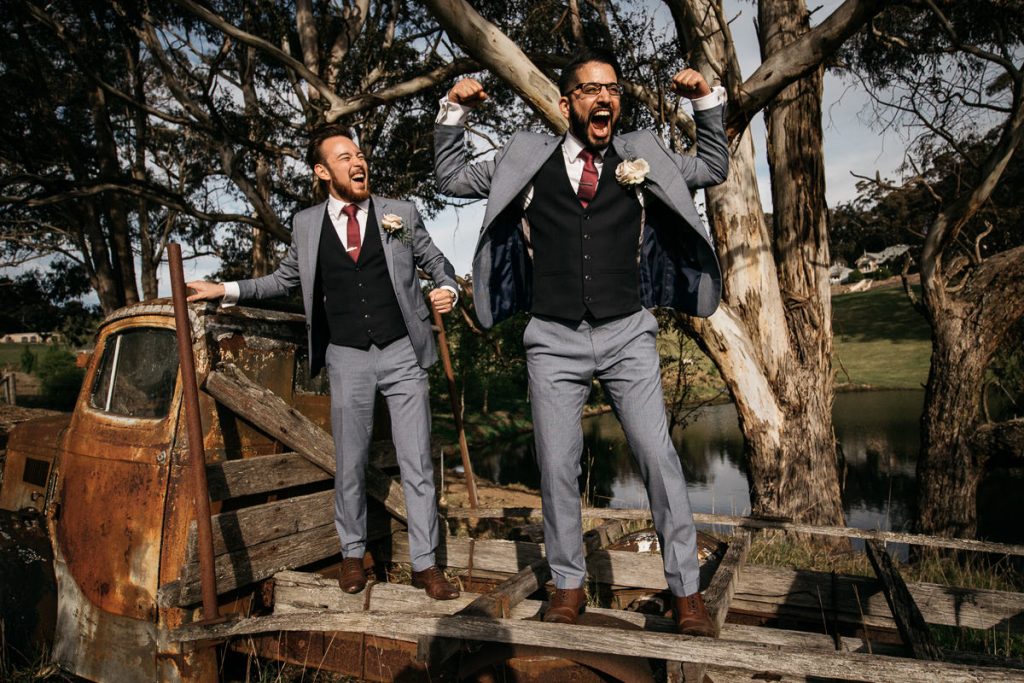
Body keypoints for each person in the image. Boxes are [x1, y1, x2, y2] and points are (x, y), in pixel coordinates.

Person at [433, 48, 729, 634]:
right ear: (567, 103)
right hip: (552, 337)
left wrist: (705, 101)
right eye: (592, 90)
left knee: (659, 459)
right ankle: (568, 586)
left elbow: (713, 167)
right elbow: (449, 178)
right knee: (557, 466)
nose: (606, 98)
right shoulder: (525, 156)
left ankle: (686, 592)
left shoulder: (642, 154)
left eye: (613, 89)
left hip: (627, 333)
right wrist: (453, 112)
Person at [188, 125, 461, 601]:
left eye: (360, 153)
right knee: (350, 462)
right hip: (347, 356)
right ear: (322, 171)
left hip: (401, 351)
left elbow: (437, 263)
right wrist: (226, 289)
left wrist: (449, 289)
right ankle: (352, 557)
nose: (358, 162)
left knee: (417, 461)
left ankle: (426, 565)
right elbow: (282, 280)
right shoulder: (307, 225)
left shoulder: (401, 213)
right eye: (344, 157)